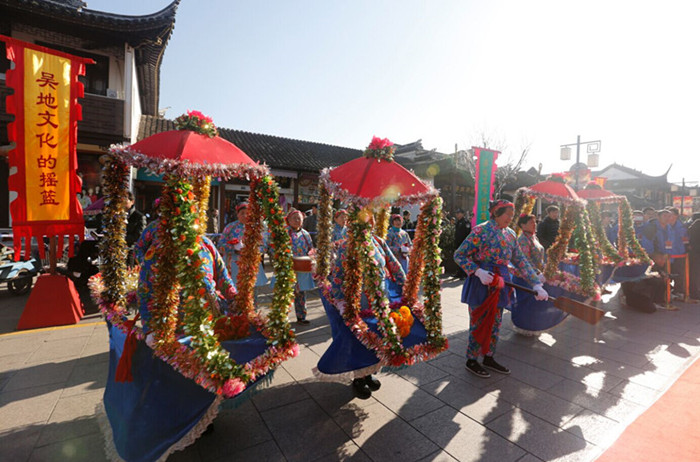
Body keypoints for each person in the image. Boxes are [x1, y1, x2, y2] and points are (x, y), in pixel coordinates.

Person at [454, 200, 547, 378]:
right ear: (496, 213)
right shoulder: (480, 231)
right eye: (507, 215)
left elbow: (520, 260)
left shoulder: (511, 234)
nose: (510, 219)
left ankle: (489, 356)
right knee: (478, 321)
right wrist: (477, 271)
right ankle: (471, 359)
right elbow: (459, 255)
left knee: (496, 321)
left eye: (512, 216)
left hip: (500, 283)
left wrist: (536, 283)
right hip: (481, 282)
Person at [327, 211, 406, 398]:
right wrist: (339, 301)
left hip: (378, 299)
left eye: (369, 221)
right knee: (360, 337)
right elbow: (338, 275)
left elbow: (393, 265)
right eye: (362, 222)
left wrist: (406, 285)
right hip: (358, 300)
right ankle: (359, 378)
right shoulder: (347, 245)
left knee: (376, 335)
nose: (366, 225)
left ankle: (370, 373)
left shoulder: (378, 242)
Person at [217, 202, 269, 288]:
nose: (245, 215)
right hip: (233, 265)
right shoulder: (230, 227)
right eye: (242, 213)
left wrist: (251, 250)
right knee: (233, 292)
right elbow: (220, 246)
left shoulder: (256, 228)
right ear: (237, 214)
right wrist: (234, 248)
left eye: (248, 213)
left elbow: (264, 247)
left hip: (251, 264)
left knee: (251, 292)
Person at [286, 209, 316, 324]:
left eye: (299, 218)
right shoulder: (285, 233)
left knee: (301, 292)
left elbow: (311, 249)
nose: (297, 220)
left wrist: (312, 256)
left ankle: (301, 316)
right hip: (289, 267)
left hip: (302, 267)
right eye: (294, 218)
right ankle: (283, 317)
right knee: (287, 292)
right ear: (288, 220)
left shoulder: (305, 234)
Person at [454, 209, 471, 279]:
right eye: (456, 213)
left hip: (463, 243)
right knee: (457, 257)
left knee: (463, 258)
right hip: (458, 243)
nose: (457, 215)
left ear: (462, 214)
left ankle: (463, 274)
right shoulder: (458, 222)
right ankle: (459, 272)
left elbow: (467, 233)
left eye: (458, 213)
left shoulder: (466, 222)